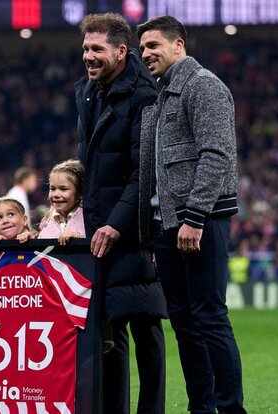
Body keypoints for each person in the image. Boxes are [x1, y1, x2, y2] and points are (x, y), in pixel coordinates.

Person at [137, 15, 246, 413]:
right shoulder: (163, 94)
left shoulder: (204, 85)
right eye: (143, 48)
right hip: (168, 225)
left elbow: (216, 154)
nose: (146, 54)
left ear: (178, 44)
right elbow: (156, 173)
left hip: (201, 222)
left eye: (154, 46)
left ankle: (231, 408)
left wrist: (196, 216)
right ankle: (201, 408)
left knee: (210, 317)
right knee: (184, 323)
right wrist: (154, 233)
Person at [76, 13, 166, 414]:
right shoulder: (88, 92)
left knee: (145, 322)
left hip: (136, 229)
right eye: (85, 49)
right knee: (109, 325)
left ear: (120, 51)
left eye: (97, 49)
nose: (89, 57)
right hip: (99, 227)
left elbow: (143, 172)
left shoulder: (144, 96)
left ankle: (151, 409)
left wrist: (118, 222)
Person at [37, 159, 85, 244]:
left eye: (63, 189)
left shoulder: (88, 219)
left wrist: (79, 238)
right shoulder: (46, 222)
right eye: (52, 189)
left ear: (79, 192)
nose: (56, 194)